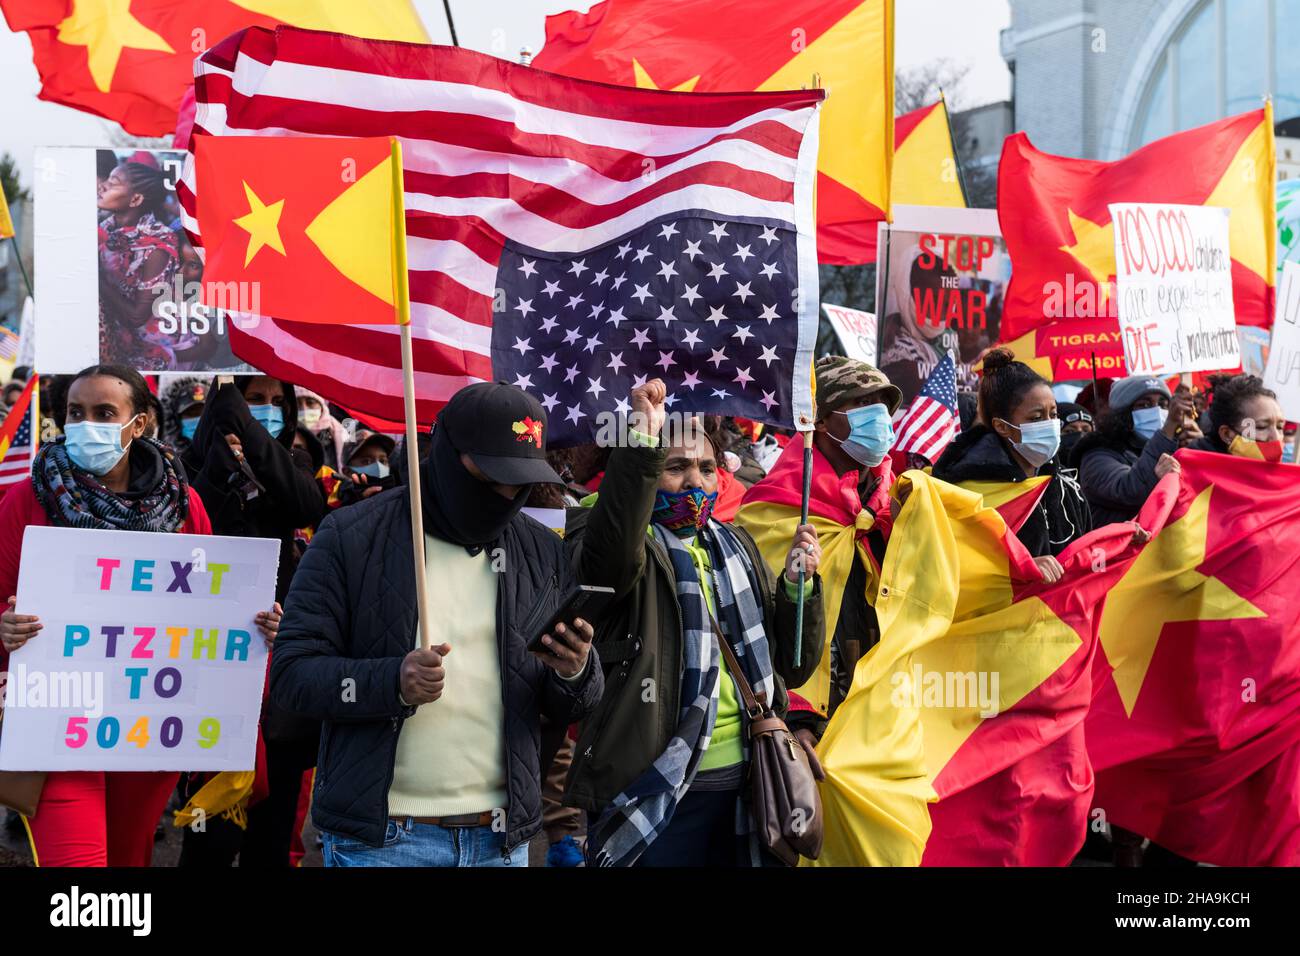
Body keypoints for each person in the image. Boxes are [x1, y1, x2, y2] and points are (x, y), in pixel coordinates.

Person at [270, 382, 603, 867]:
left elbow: (564, 702)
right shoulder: (350, 536)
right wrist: (392, 681)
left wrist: (575, 669)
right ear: (448, 455)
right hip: (383, 841)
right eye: (490, 477)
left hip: (499, 841)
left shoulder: (543, 550)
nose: (507, 494)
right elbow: (292, 676)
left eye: (519, 480)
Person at [0, 364, 279, 866]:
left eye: (105, 413)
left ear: (141, 423)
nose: (87, 425)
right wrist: (6, 627)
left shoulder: (183, 504)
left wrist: (255, 626)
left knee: (129, 859)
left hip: (146, 727)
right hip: (58, 726)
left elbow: (209, 611)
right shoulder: (28, 499)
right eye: (76, 413)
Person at [563, 380, 825, 867]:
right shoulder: (602, 534)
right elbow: (613, 557)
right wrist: (642, 438)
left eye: (706, 468)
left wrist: (798, 588)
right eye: (676, 467)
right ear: (644, 473)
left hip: (747, 782)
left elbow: (792, 666)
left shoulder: (738, 546)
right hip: (654, 785)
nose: (696, 481)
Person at [179, 375, 327, 867]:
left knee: (274, 822)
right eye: (251, 400)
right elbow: (191, 524)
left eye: (274, 403)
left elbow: (304, 503)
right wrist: (224, 464)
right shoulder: (185, 463)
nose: (264, 410)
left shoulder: (295, 460)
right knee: (210, 834)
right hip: (207, 665)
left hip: (275, 655)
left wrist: (249, 442)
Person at [736, 355, 901, 752]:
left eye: (883, 405)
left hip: (886, 710)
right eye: (862, 405)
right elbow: (758, 624)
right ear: (820, 420)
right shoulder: (774, 508)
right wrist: (795, 717)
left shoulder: (898, 501)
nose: (878, 417)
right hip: (807, 720)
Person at [932, 348, 1091, 571]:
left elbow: (1087, 555)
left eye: (1053, 415)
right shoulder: (967, 495)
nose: (1049, 424)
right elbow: (957, 569)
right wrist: (1020, 570)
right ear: (1002, 426)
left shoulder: (1067, 487)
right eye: (1036, 417)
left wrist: (1123, 541)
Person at [1069, 376, 1199, 526]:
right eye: (1144, 405)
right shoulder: (1096, 455)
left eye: (1163, 405)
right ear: (1123, 413)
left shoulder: (1173, 445)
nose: (1157, 411)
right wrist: (1168, 428)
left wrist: (1198, 446)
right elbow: (1129, 489)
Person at [96, 160, 180, 370]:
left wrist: (94, 280)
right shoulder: (105, 229)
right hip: (110, 339)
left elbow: (137, 317)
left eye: (113, 183)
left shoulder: (158, 246)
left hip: (147, 353)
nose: (102, 186)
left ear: (135, 199)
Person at [1193, 374, 1289, 461]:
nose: (1276, 438)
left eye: (1279, 427)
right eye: (1262, 427)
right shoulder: (1188, 474)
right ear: (1227, 434)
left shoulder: (1289, 477)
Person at [296, 388, 350, 471]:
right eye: (297, 404)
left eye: (310, 402)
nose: (304, 409)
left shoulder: (339, 433)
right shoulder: (287, 435)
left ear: (321, 406)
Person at [158, 375, 208, 457]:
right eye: (191, 414)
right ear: (175, 420)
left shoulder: (225, 454)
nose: (199, 419)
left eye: (204, 413)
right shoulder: (164, 460)